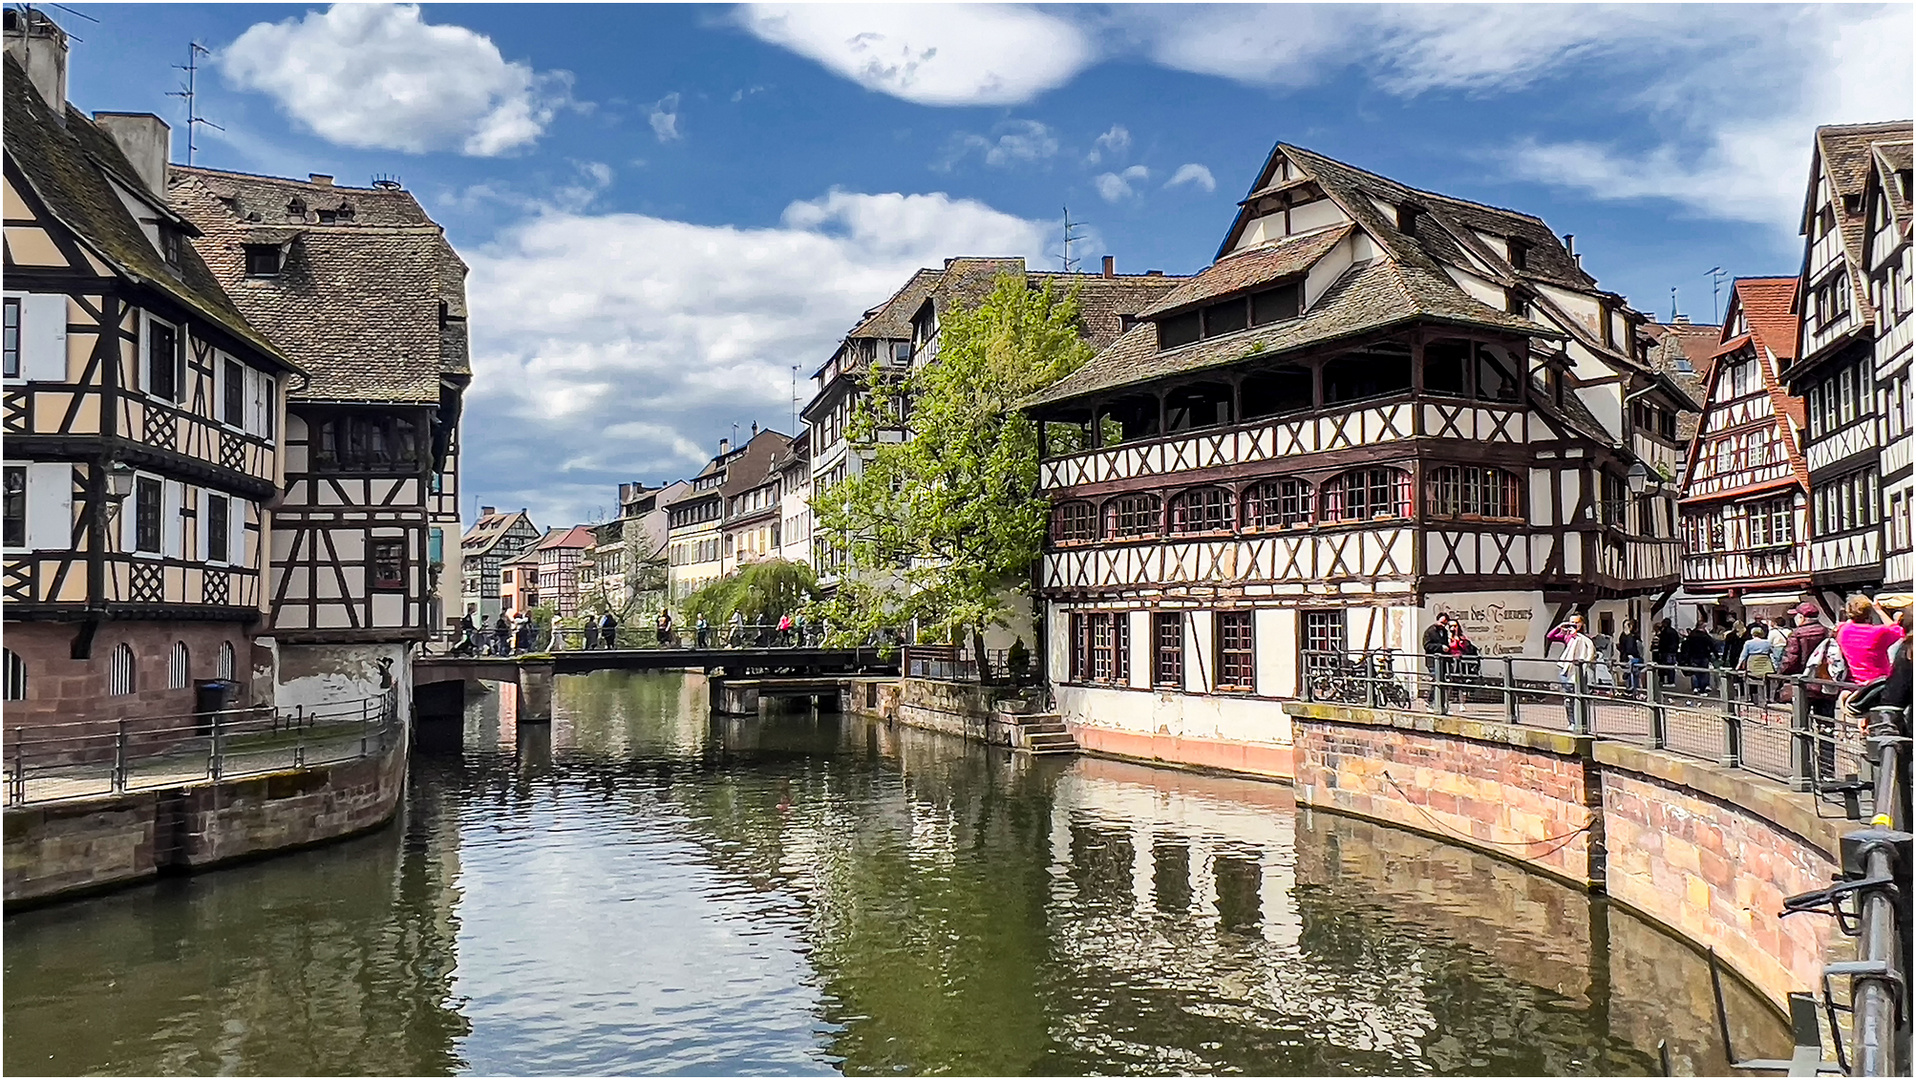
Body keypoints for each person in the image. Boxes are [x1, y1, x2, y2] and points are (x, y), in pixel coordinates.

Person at [1779, 601, 1836, 779]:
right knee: (1826, 727)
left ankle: (1802, 769)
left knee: (1800, 727)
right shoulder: (1827, 631)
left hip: (1803, 687)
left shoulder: (1796, 634)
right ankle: (1827, 772)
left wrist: (1780, 674)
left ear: (1801, 617)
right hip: (1825, 686)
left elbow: (1790, 660)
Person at [1836, 594, 1907, 686]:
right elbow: (1898, 631)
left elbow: (1845, 623)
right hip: (1879, 682)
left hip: (1853, 683)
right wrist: (1879, 610)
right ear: (1869, 612)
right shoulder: (1879, 632)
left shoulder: (1842, 630)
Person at [1548, 613, 1596, 729]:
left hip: (1579, 671)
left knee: (1580, 697)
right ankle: (1572, 722)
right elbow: (1550, 636)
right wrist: (1560, 626)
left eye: (1576, 622)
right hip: (1566, 670)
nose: (1573, 625)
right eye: (1571, 622)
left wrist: (1577, 635)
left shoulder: (1584, 638)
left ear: (1581, 624)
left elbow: (1591, 650)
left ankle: (1582, 723)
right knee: (1568, 698)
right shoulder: (1567, 636)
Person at [1736, 621, 1776, 704]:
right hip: (1765, 663)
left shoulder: (1748, 643)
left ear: (1752, 634)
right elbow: (1773, 654)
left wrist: (1738, 666)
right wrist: (1775, 665)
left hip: (1753, 663)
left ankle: (1751, 697)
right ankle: (1767, 697)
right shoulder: (1767, 643)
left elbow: (1743, 655)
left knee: (1750, 679)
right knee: (1766, 680)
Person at [1422, 615, 1454, 701]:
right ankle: (1430, 700)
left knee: (1442, 682)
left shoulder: (1444, 631)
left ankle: (1441, 703)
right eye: (1442, 622)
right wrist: (1440, 647)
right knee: (1436, 680)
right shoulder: (1429, 631)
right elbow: (1427, 645)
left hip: (1442, 661)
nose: (1443, 625)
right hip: (1432, 661)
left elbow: (1446, 644)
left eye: (1445, 623)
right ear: (1437, 620)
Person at [1679, 622, 1716, 693]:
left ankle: (1696, 687)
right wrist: (1715, 655)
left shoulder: (1692, 635)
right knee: (1704, 672)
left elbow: (1687, 646)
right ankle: (1704, 687)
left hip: (1693, 656)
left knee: (1695, 672)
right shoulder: (1705, 636)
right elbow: (1712, 644)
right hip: (1704, 655)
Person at [1617, 619, 1644, 693]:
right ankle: (1633, 690)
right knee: (1633, 673)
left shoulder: (1626, 635)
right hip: (1630, 658)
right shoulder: (1628, 636)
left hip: (1626, 657)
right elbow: (1630, 648)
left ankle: (1631, 689)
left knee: (1632, 673)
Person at [1653, 618, 1681, 686]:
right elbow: (1677, 640)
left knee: (1665, 666)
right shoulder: (1674, 632)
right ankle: (1671, 680)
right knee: (1671, 667)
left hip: (1666, 651)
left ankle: (1667, 681)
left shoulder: (1665, 632)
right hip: (1673, 651)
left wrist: (1661, 649)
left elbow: (1663, 642)